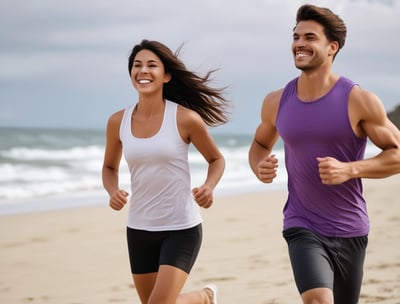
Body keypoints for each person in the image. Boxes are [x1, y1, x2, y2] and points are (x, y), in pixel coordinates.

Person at [248, 4, 400, 304]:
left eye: (310, 37)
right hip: (301, 223)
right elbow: (260, 144)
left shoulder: (359, 100)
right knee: (318, 300)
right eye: (296, 36)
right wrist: (258, 165)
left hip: (350, 227)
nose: (299, 43)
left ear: (332, 47)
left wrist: (350, 169)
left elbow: (397, 154)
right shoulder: (276, 101)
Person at [102, 39, 229, 304]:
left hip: (181, 228)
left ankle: (205, 298)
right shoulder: (118, 122)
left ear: (166, 75)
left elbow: (216, 159)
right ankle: (204, 298)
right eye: (137, 66)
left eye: (151, 65)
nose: (143, 71)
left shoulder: (184, 118)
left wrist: (209, 186)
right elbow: (109, 167)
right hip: (138, 229)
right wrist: (113, 191)